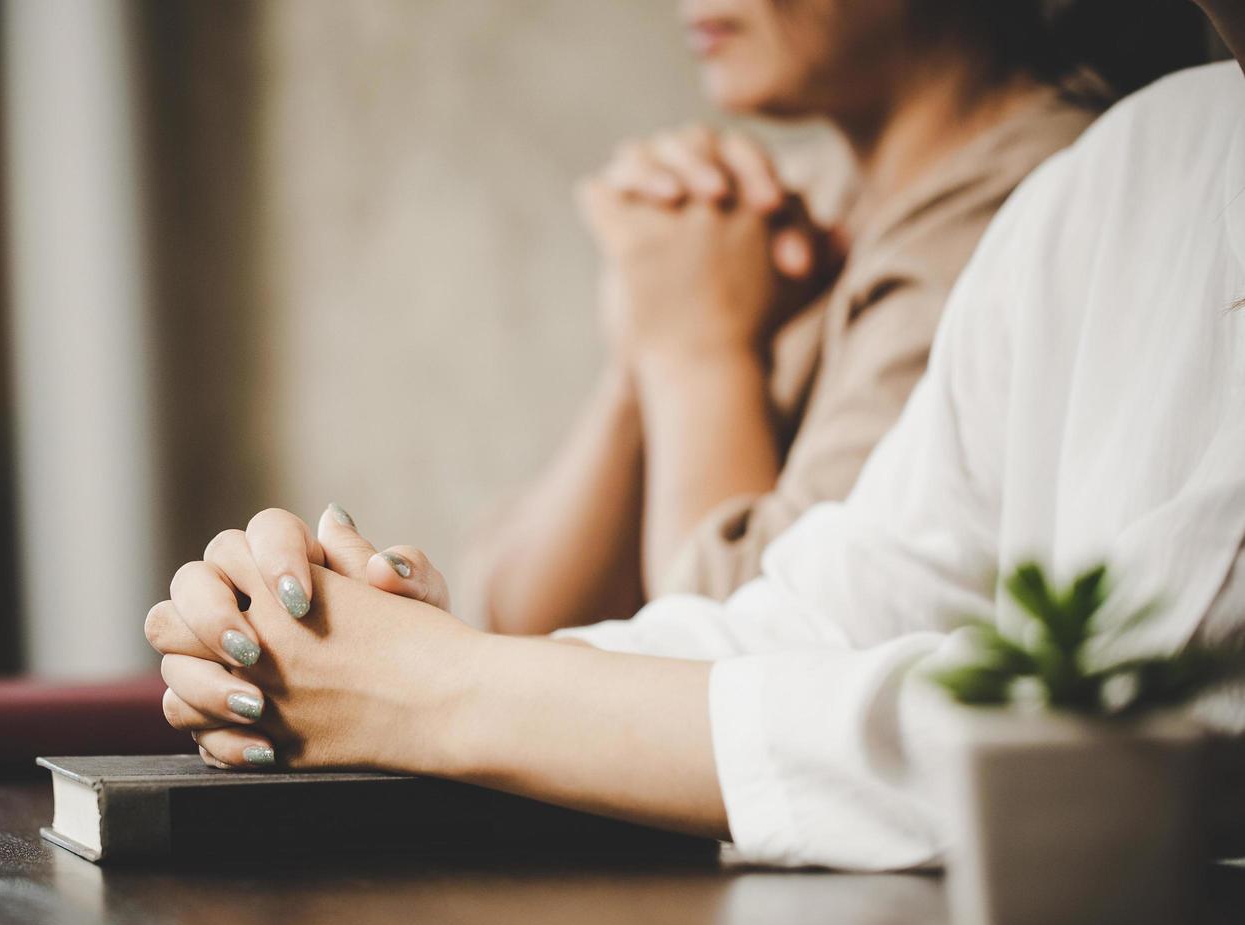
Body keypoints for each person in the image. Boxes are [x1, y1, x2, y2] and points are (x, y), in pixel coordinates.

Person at [145, 5, 1245, 869]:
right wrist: (367, 637)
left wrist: (442, 690)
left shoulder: (1011, 193)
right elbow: (801, 613)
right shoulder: (1137, 165)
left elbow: (1124, 740)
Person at [470, 1, 1193, 634]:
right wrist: (646, 353)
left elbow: (748, 656)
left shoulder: (1032, 207)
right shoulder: (797, 196)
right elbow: (513, 617)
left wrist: (696, 355)